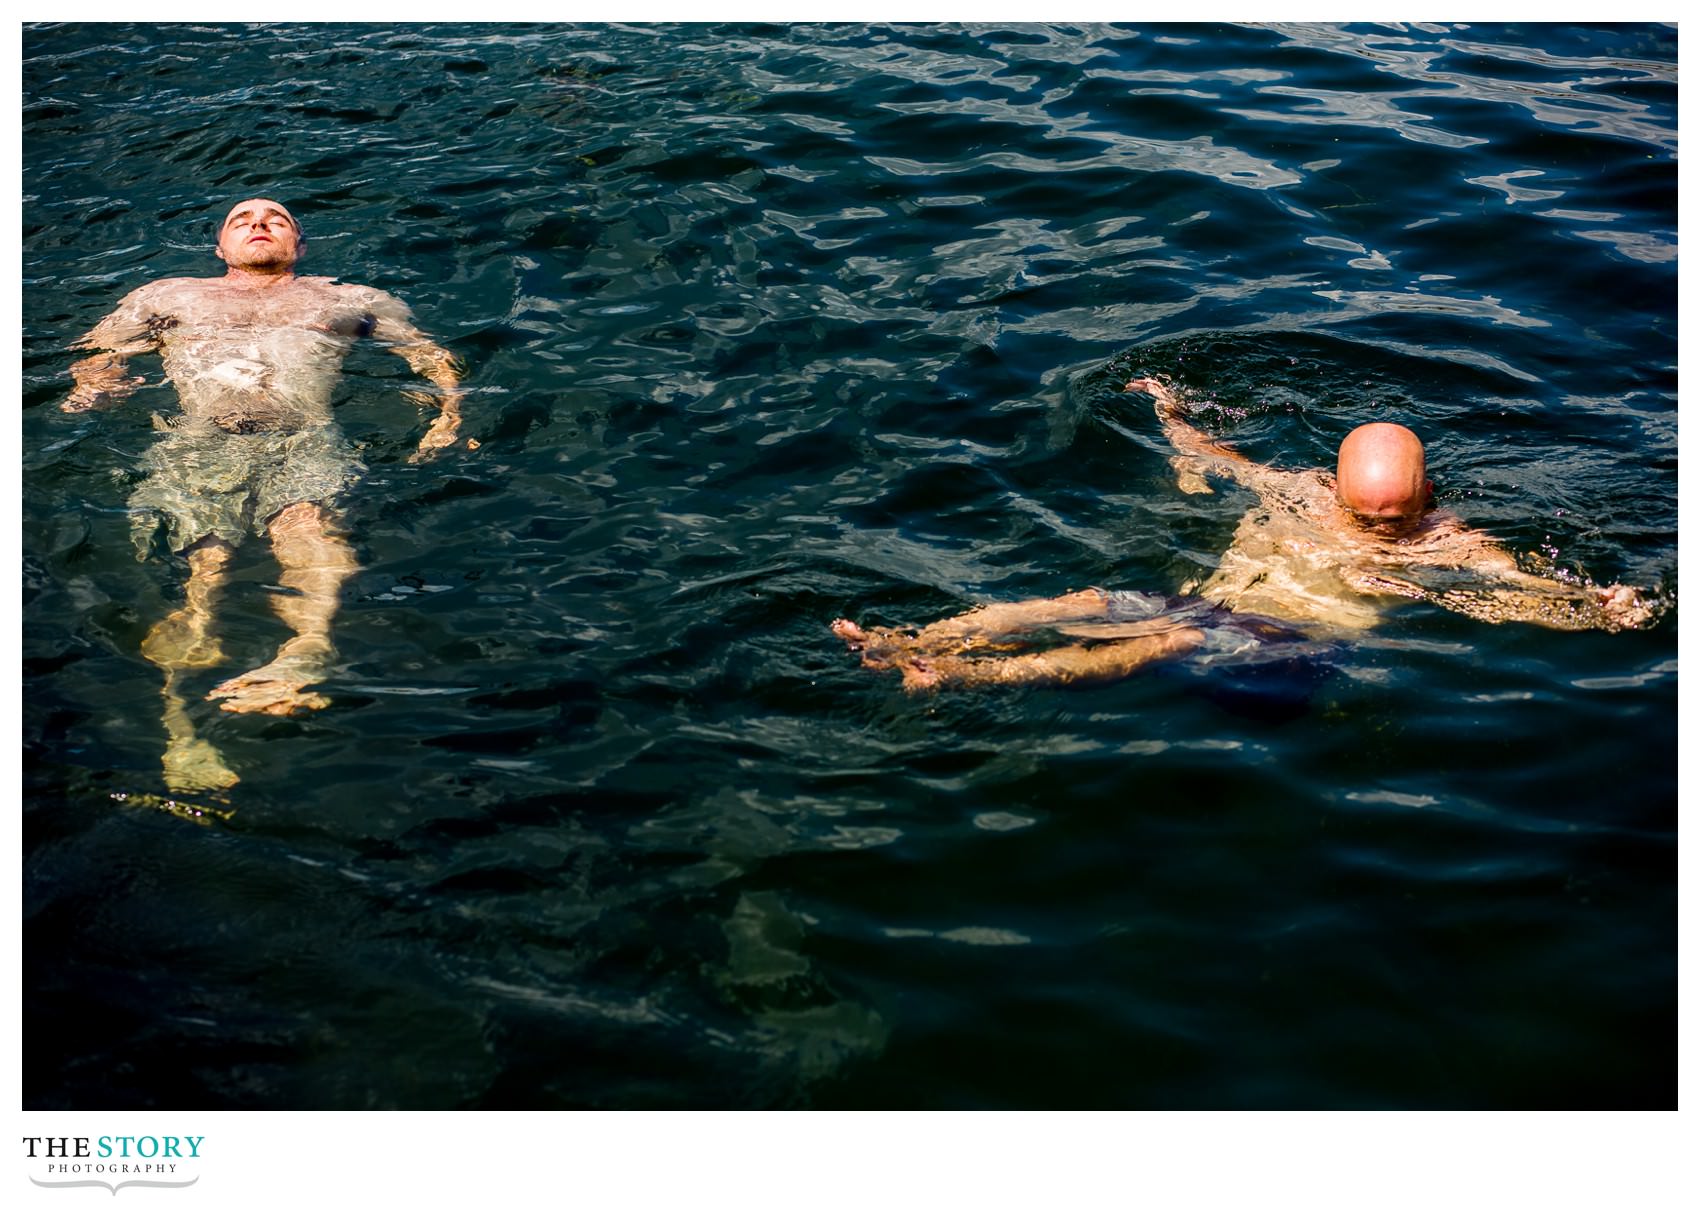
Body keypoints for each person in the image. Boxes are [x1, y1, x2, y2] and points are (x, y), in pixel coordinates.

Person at [832, 375, 1654, 692]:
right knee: (1089, 601)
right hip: (1203, 604)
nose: (1378, 531)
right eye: (1362, 515)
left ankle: (954, 678)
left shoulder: (1449, 541)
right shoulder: (1296, 492)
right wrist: (1170, 414)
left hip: (1283, 641)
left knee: (1153, 645)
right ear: (1331, 486)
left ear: (1427, 495)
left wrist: (1598, 606)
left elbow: (1516, 593)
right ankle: (917, 637)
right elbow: (1219, 457)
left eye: (1394, 519)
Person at [62, 198, 473, 790]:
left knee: (306, 527)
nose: (258, 224)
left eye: (275, 219)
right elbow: (99, 354)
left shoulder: (350, 298)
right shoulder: (167, 295)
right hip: (200, 438)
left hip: (303, 434)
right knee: (203, 569)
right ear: (220, 248)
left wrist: (450, 415)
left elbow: (428, 355)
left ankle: (308, 649)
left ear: (299, 246)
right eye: (241, 221)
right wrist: (97, 386)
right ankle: (181, 726)